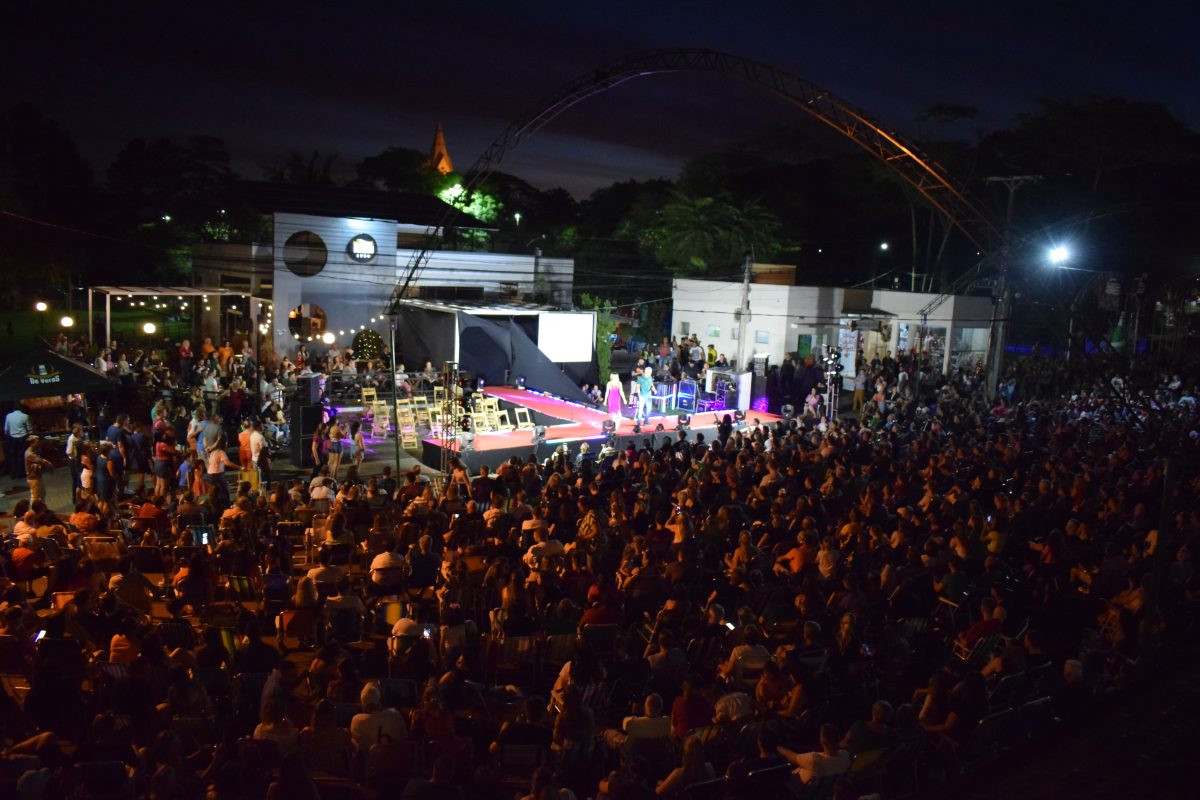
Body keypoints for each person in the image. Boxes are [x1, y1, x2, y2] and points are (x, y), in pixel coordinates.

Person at [778, 723, 851, 785]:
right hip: (818, 791)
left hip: (798, 788)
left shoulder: (815, 758)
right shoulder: (845, 755)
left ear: (822, 740)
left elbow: (791, 757)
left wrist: (778, 747)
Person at [5, 404, 32, 479]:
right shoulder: (25, 416)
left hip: (12, 439)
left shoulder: (8, 416)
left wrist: (9, 437)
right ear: (21, 408)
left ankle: (13, 473)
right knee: (22, 455)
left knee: (13, 456)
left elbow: (6, 429)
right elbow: (29, 429)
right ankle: (20, 473)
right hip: (22, 438)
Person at [24, 436, 53, 504]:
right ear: (31, 443)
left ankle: (42, 510)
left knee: (42, 494)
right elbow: (41, 461)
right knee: (35, 497)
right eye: (36, 442)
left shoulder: (34, 451)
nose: (38, 444)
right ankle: (34, 512)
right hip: (33, 478)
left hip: (37, 476)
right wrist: (50, 465)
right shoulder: (29, 454)